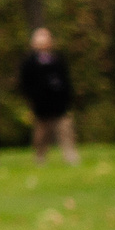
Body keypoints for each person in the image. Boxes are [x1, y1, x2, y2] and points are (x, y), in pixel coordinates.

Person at [19, 28, 79, 164]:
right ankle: (40, 156)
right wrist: (33, 98)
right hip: (41, 103)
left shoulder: (58, 59)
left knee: (65, 130)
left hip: (59, 102)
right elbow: (25, 83)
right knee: (42, 133)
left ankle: (70, 155)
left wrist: (66, 96)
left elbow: (66, 79)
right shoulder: (29, 62)